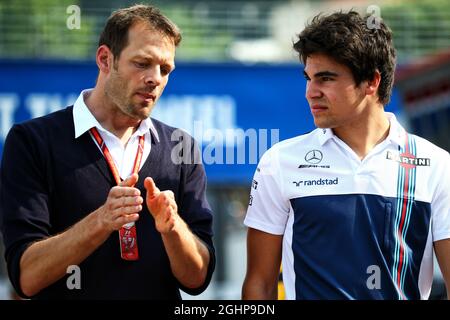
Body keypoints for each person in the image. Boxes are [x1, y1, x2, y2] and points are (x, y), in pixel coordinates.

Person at [0, 4, 215, 299]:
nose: (155, 78)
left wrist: (173, 229)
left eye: (165, 69)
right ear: (105, 59)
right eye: (142, 63)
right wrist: (101, 221)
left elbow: (197, 279)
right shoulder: (32, 141)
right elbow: (26, 276)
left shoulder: (182, 147)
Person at [242, 11, 450, 300]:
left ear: (371, 81)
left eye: (325, 78)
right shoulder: (279, 162)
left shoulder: (437, 165)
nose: (310, 92)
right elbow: (259, 285)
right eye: (309, 78)